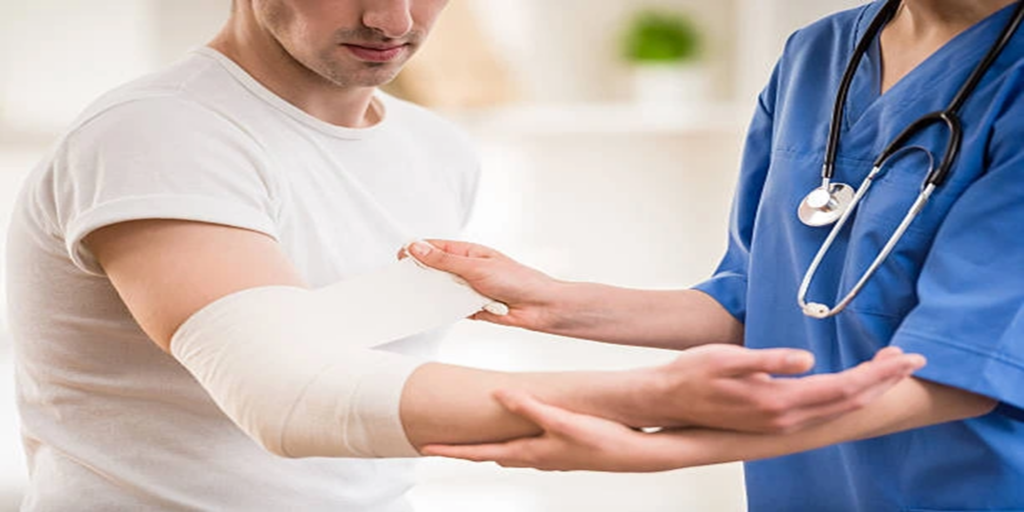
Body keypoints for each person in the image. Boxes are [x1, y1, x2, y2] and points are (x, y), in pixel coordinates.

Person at [4, 0, 925, 510]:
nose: (392, 17)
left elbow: (342, 359)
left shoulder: (435, 149)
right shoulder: (159, 133)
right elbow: (288, 395)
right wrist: (650, 398)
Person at [412, 0, 1024, 510]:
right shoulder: (819, 53)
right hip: (800, 489)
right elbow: (756, 302)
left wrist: (668, 446)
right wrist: (556, 301)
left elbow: (966, 369)